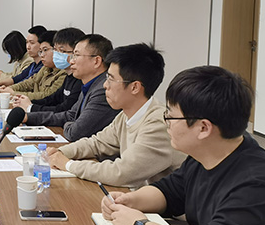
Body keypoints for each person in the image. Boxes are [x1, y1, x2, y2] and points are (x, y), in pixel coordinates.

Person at [101, 66, 265, 225]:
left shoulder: (256, 181)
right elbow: (171, 191)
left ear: (203, 128)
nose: (166, 122)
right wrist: (130, 201)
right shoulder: (206, 154)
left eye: (171, 116)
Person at [47, 43, 186, 189]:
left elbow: (121, 173)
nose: (105, 85)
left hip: (157, 203)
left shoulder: (158, 123)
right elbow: (97, 143)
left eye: (111, 79)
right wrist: (59, 152)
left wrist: (68, 164)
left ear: (135, 87)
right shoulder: (126, 114)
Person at [24, 34, 119, 141]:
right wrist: (28, 117)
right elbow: (70, 116)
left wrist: (70, 123)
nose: (71, 61)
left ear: (96, 61)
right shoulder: (89, 84)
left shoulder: (103, 90)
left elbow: (75, 132)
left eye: (76, 55)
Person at [13, 27, 84, 113]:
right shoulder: (67, 76)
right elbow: (51, 99)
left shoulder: (77, 79)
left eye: (62, 51)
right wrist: (27, 103)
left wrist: (31, 107)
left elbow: (64, 109)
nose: (56, 54)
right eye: (55, 50)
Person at [0, 30, 66, 100]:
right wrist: (9, 89)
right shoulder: (45, 68)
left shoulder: (63, 73)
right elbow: (29, 83)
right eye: (41, 51)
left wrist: (13, 93)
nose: (42, 55)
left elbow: (47, 96)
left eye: (45, 50)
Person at [0, 25, 45, 89]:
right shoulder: (33, 65)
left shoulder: (39, 65)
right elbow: (16, 79)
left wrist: (7, 88)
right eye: (27, 43)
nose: (28, 47)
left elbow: (24, 84)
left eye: (32, 43)